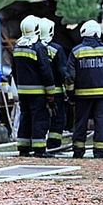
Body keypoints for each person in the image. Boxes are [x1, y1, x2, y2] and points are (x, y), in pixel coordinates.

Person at [65, 19, 103, 159]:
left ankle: (78, 151)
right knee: (101, 122)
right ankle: (100, 152)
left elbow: (70, 76)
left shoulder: (76, 51)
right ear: (97, 33)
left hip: (82, 95)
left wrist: (70, 94)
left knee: (80, 122)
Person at [12, 15, 55, 157]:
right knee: (39, 118)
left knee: (25, 117)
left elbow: (14, 70)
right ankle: (39, 149)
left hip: (23, 91)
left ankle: (23, 147)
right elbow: (45, 71)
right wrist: (50, 91)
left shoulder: (17, 47)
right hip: (38, 92)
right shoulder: (38, 47)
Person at [38, 17, 68, 150]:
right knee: (58, 119)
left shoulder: (33, 48)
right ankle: (54, 144)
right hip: (56, 92)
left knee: (41, 118)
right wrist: (69, 89)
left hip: (38, 92)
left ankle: (39, 142)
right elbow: (63, 72)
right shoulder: (57, 49)